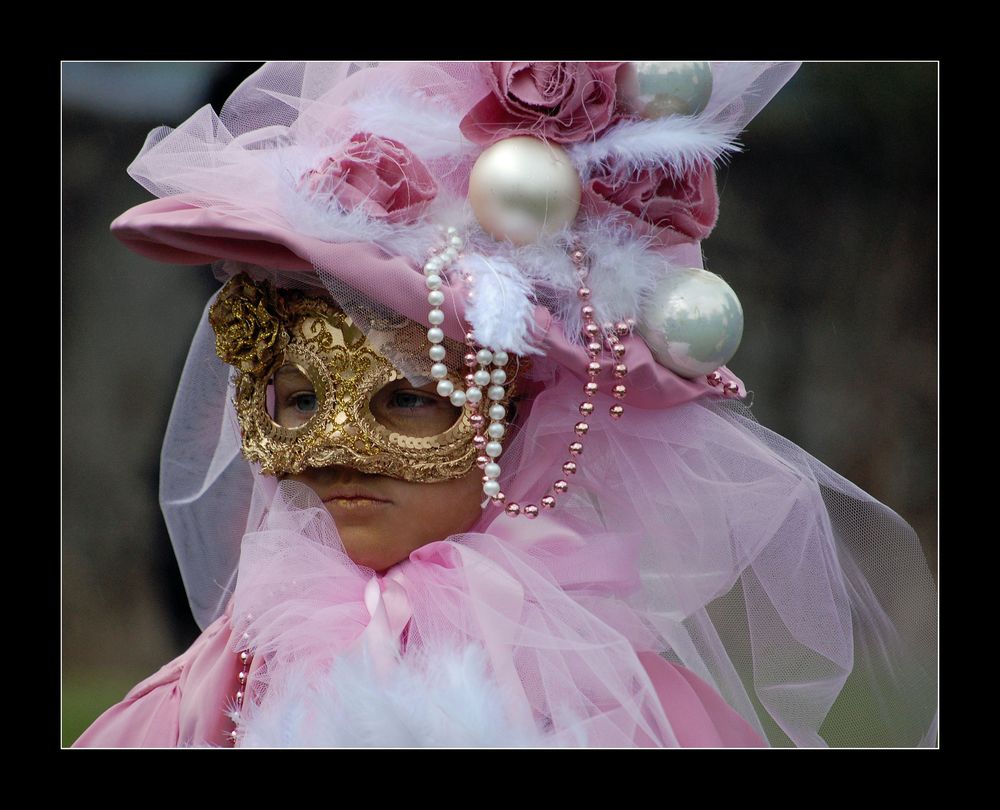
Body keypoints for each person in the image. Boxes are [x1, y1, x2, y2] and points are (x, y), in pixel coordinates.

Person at [73, 61, 937, 748]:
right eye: (298, 398)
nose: (336, 448)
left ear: (527, 411)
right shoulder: (199, 704)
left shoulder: (632, 716)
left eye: (413, 398)